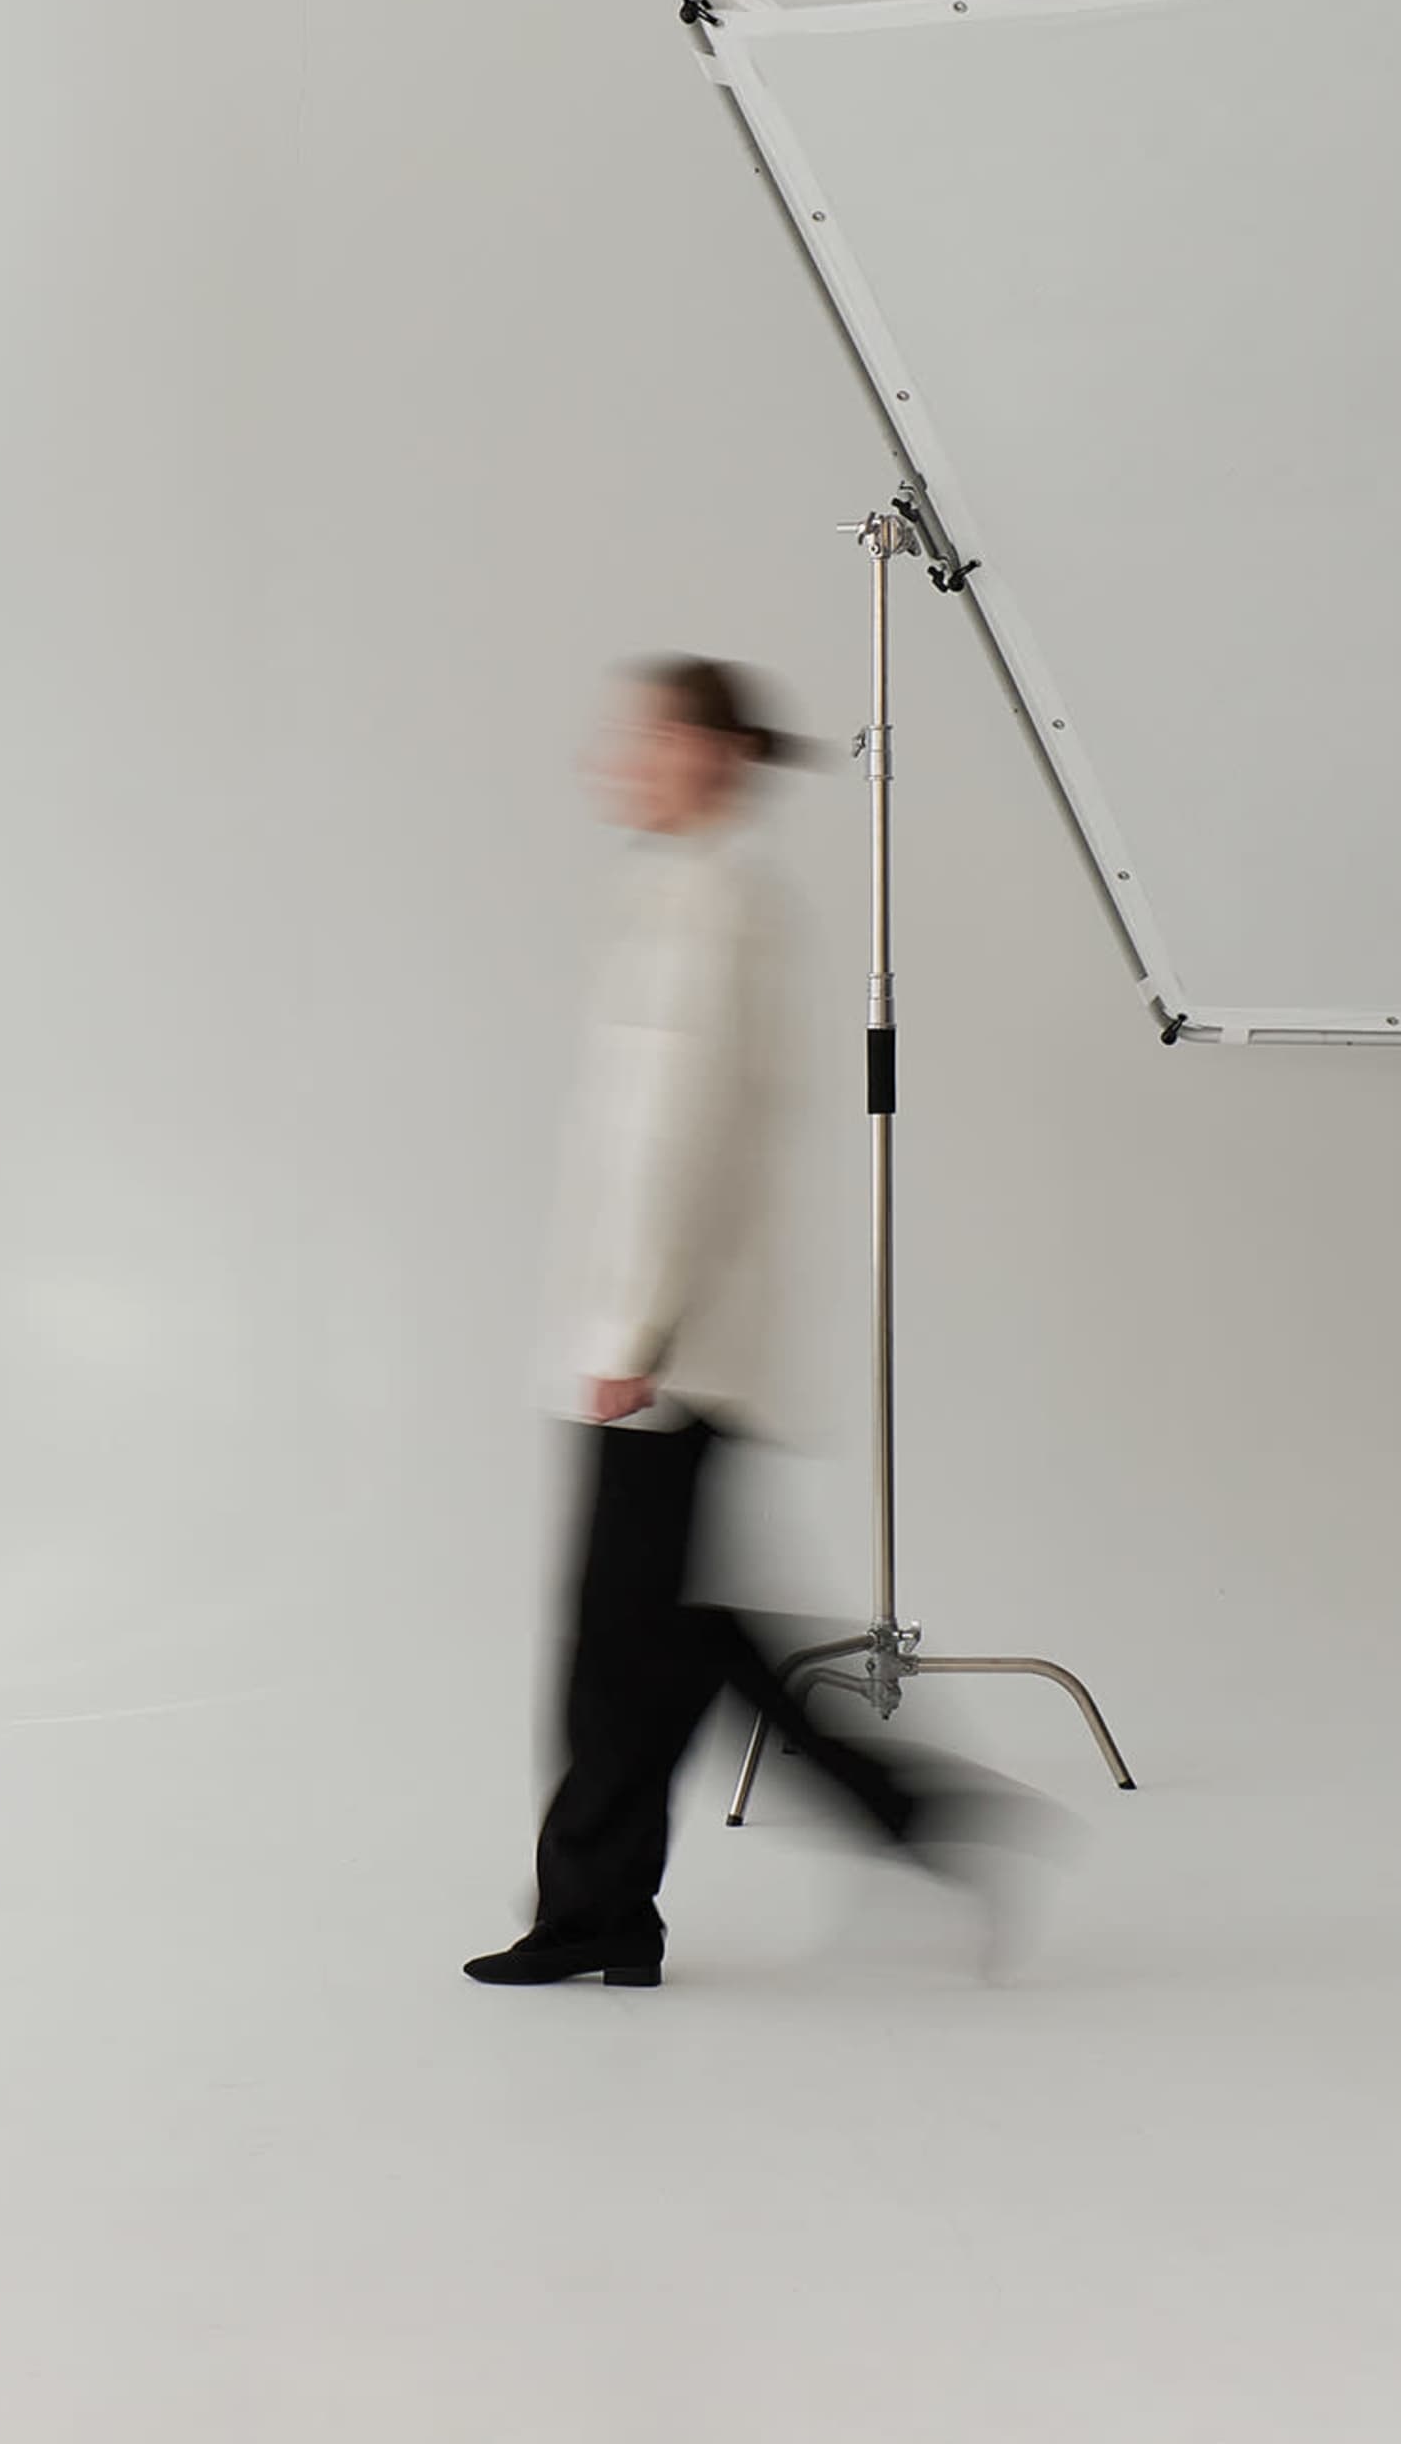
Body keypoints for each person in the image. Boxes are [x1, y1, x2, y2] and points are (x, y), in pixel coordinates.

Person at [466, 658, 1013, 1989]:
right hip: (667, 1338)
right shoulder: (684, 895)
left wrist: (631, 1334)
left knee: (643, 1641)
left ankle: (884, 1827)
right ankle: (612, 1904)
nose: (617, 759)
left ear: (706, 753)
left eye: (644, 736)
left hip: (673, 1346)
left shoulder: (710, 908)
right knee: (654, 1637)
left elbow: (678, 1138)